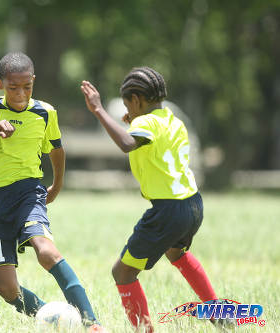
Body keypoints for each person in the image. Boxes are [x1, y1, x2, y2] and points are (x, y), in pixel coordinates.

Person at [0, 52, 104, 332]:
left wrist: (58, 184)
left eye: (26, 87)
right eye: (12, 88)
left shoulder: (45, 112)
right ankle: (52, 317)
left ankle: (92, 324)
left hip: (29, 193)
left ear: (34, 82)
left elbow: (56, 149)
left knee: (46, 252)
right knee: (6, 288)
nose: (20, 94)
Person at [81, 67, 221, 332]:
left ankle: (145, 331)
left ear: (137, 100)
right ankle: (220, 314)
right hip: (192, 204)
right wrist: (132, 121)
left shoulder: (144, 123)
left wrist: (99, 109)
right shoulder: (171, 119)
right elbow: (150, 141)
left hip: (168, 210)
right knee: (177, 253)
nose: (128, 111)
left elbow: (126, 144)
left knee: (122, 272)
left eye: (127, 105)